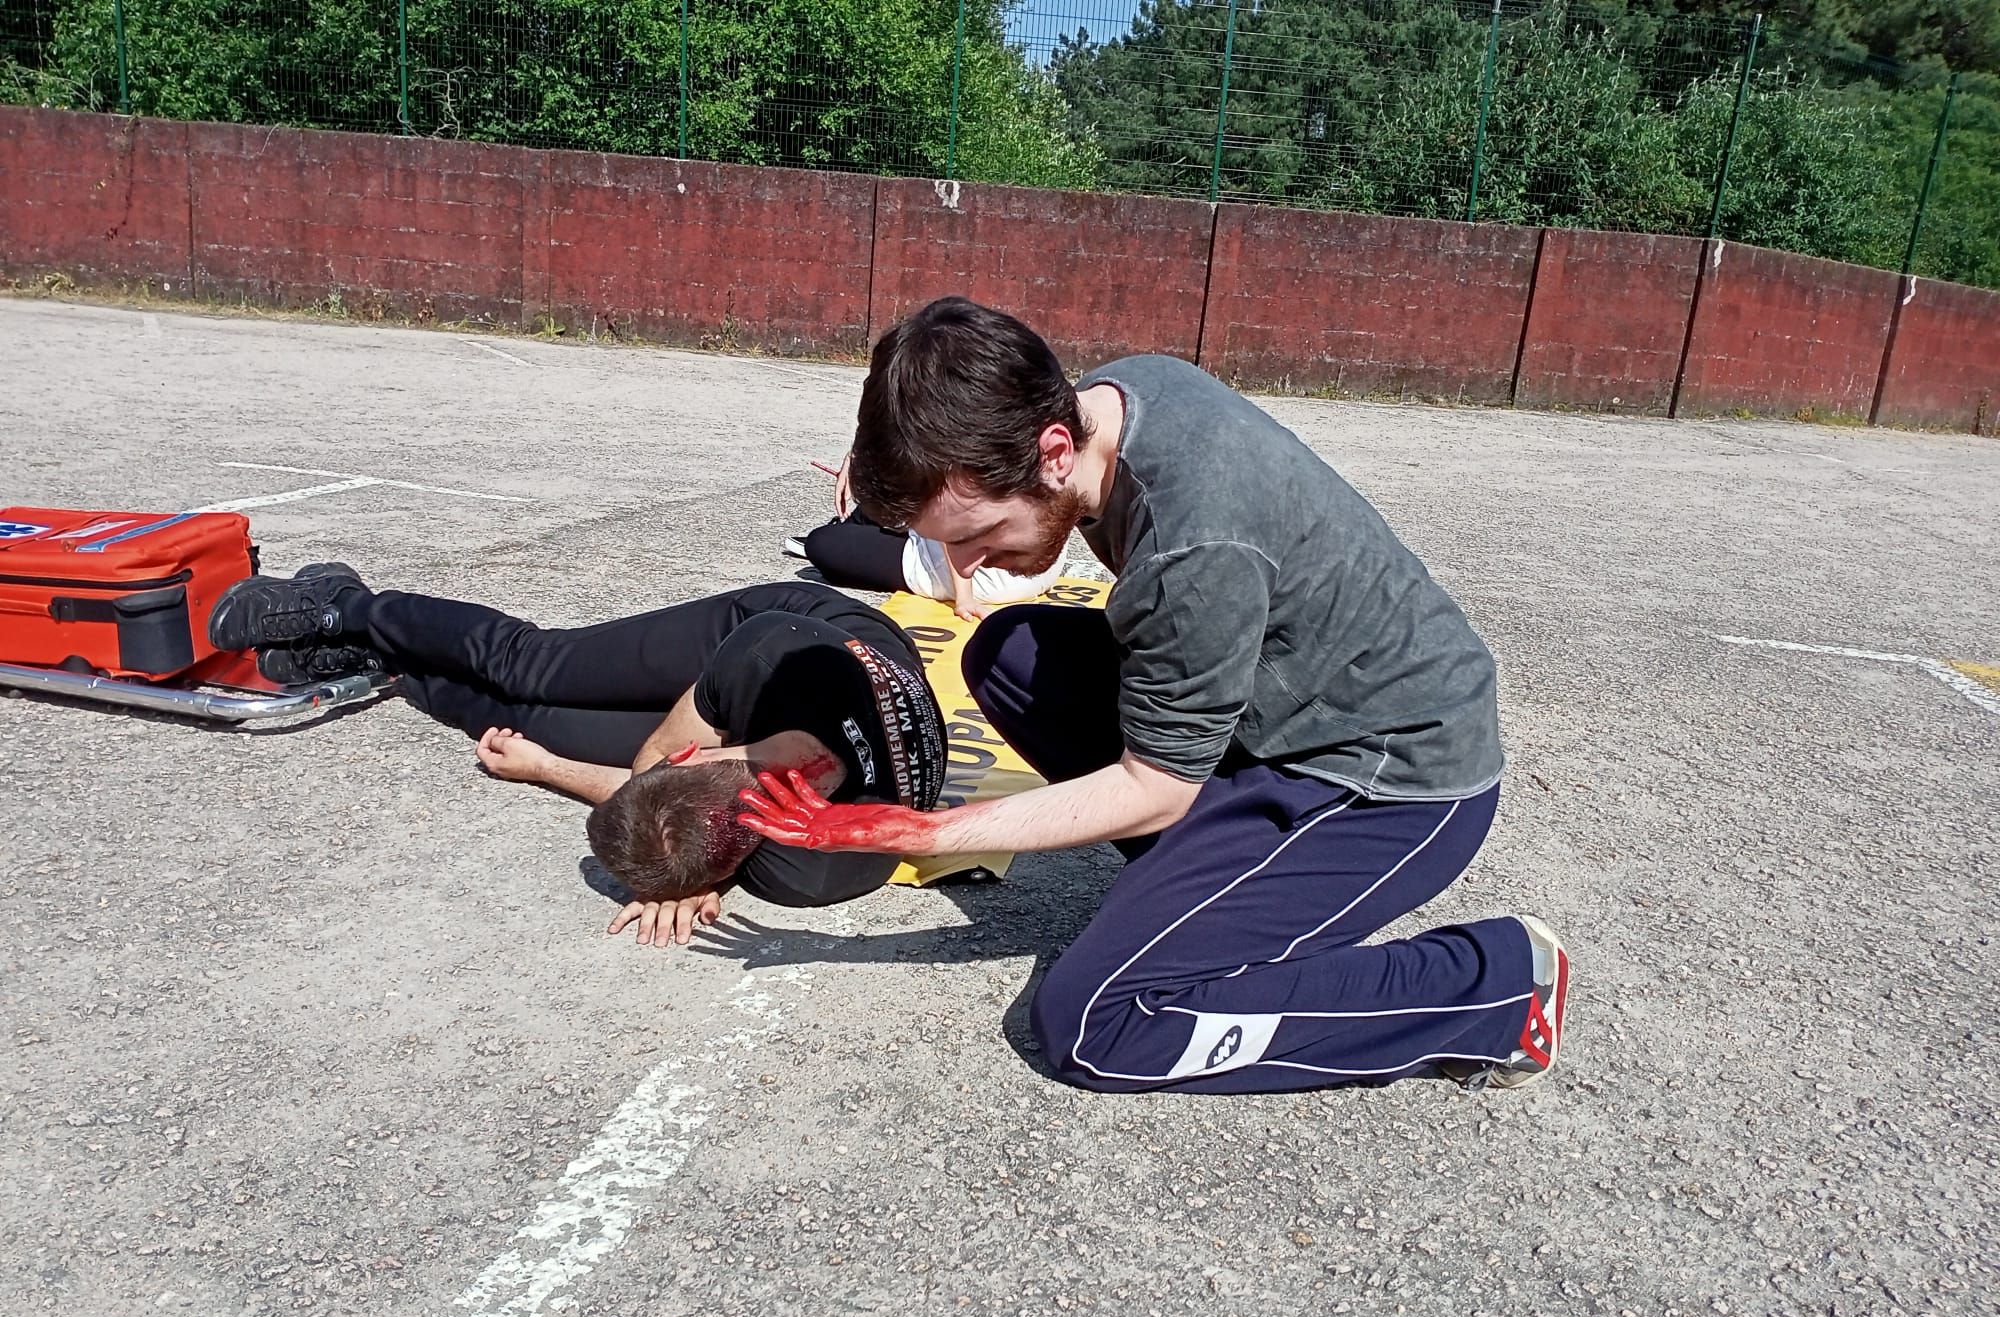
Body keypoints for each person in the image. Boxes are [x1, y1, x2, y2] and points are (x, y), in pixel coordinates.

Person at [738, 296, 1571, 1094]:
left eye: (979, 535)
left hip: (1395, 787)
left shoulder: (1193, 544)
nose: (970, 565)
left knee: (1100, 1021)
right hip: (1293, 719)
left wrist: (924, 830)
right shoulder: (1121, 393)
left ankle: (1491, 990)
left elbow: (1156, 785)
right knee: (1010, 653)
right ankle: (1209, 903)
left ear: (1053, 450)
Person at [206, 567, 946, 944]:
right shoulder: (770, 655)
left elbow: (675, 812)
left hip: (797, 725)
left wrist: (540, 765)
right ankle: (349, 604)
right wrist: (688, 858)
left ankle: (384, 663)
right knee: (535, 666)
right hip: (806, 632)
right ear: (693, 758)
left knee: (534, 723)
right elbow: (658, 765)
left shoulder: (816, 870)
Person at [785, 506, 1065, 620]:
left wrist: (963, 597)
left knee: (822, 543)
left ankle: (859, 526)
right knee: (882, 494)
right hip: (1041, 568)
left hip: (964, 569)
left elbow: (955, 519)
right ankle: (866, 523)